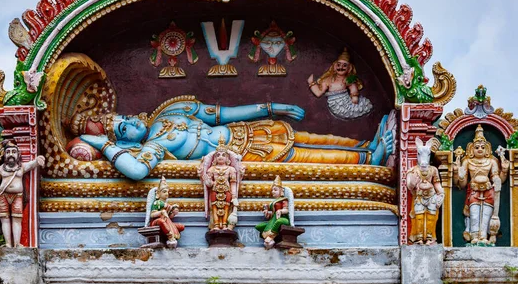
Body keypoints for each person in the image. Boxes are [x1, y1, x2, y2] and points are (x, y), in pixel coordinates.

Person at [72, 96, 395, 181]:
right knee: (313, 158)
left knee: (318, 138)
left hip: (251, 131)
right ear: (126, 142)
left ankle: (365, 146)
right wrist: (103, 144)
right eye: (123, 128)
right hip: (247, 156)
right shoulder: (153, 148)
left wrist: (271, 107)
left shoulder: (171, 111)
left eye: (125, 118)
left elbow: (223, 113)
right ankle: (372, 159)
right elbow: (137, 172)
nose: (130, 123)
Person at [453, 125, 509, 245]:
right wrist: (460, 175)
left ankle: (484, 236)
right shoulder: (467, 161)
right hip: (474, 191)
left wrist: (502, 173)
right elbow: (461, 185)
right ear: (471, 149)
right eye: (477, 147)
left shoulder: (492, 161)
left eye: (483, 147)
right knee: (474, 214)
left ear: (487, 149)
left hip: (488, 191)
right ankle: (474, 237)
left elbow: (496, 177)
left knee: (486, 215)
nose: (479, 149)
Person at [0, 140, 44, 248]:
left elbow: (32, 164)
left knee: (17, 219)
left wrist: (38, 160)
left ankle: (17, 243)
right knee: (5, 219)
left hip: (17, 196)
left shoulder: (21, 167)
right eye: (8, 152)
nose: (11, 154)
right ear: (4, 155)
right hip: (2, 196)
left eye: (13, 152)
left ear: (18, 155)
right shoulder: (0, 170)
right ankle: (8, 243)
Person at [307, 48, 373, 119]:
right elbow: (318, 93)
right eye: (338, 65)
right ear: (335, 66)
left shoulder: (347, 79)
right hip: (335, 105)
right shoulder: (328, 80)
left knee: (362, 106)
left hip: (346, 102)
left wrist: (354, 96)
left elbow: (353, 87)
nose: (341, 67)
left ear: (349, 68)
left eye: (344, 65)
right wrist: (311, 83)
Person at [149, 176, 185, 248]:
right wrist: (161, 212)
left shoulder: (167, 205)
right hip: (155, 222)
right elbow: (152, 215)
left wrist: (173, 213)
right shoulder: (157, 203)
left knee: (181, 226)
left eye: (167, 192)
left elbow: (169, 217)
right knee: (162, 222)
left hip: (166, 221)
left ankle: (169, 233)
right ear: (158, 194)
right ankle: (170, 237)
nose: (167, 194)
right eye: (164, 192)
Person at [256, 175, 290, 249]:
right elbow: (272, 214)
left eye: (275, 190)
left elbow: (287, 210)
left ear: (281, 191)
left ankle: (270, 237)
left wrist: (280, 211)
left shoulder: (284, 199)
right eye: (272, 190)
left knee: (278, 222)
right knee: (258, 226)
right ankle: (268, 236)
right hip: (273, 219)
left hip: (283, 219)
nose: (273, 192)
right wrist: (267, 212)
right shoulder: (272, 202)